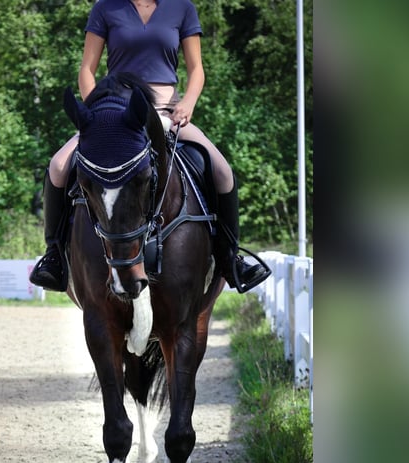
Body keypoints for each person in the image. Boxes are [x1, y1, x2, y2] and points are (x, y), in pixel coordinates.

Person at [29, 0, 267, 293]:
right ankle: (54, 257)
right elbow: (87, 71)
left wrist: (188, 103)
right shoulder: (106, 8)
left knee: (222, 171)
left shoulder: (182, 8)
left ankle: (231, 258)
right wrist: (99, 116)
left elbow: (197, 69)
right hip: (114, 114)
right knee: (58, 165)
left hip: (167, 112)